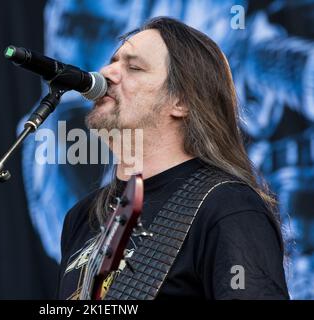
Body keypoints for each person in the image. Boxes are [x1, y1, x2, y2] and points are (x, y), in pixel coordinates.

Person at [56, 17, 289, 300]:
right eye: (112, 61)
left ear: (181, 101)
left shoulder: (227, 206)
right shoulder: (81, 217)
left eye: (134, 67)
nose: (106, 72)